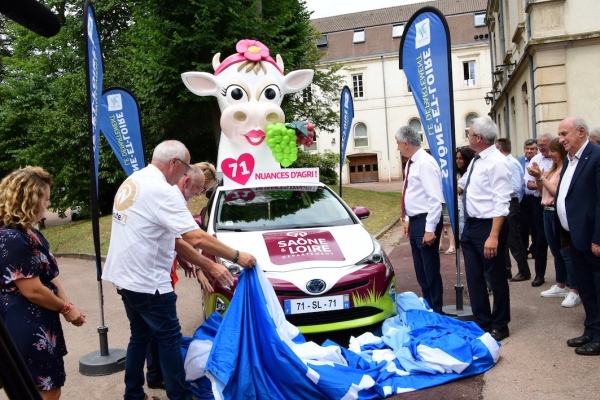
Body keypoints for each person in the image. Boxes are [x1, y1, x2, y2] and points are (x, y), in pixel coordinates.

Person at [102, 140, 257, 400]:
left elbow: (173, 240)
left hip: (125, 277)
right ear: (174, 163)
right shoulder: (162, 190)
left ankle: (133, 394)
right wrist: (236, 257)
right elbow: (194, 237)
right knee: (170, 339)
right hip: (148, 281)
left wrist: (197, 263)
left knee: (139, 336)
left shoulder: (135, 180)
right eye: (185, 167)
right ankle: (180, 396)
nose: (185, 173)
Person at [0, 166, 86, 400]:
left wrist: (69, 306)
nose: (47, 205)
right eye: (45, 199)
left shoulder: (29, 232)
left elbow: (49, 277)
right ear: (28, 199)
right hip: (25, 322)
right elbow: (33, 290)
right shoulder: (11, 237)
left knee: (46, 386)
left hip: (40, 318)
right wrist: (66, 309)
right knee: (44, 389)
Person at [145, 164, 213, 391]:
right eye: (200, 189)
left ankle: (152, 377)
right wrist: (214, 264)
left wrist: (185, 260)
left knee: (146, 332)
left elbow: (176, 239)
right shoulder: (171, 198)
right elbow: (190, 238)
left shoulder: (169, 195)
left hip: (155, 273)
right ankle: (173, 386)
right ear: (187, 182)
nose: (199, 195)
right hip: (156, 275)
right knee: (167, 332)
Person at [458, 118, 512, 341]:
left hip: (489, 226)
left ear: (478, 138)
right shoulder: (477, 160)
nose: (468, 137)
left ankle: (500, 324)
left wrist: (494, 235)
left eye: (469, 134)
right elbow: (465, 187)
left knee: (495, 276)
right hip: (471, 225)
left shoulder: (497, 162)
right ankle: (482, 320)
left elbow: (502, 202)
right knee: (474, 277)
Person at [556, 117, 600, 356]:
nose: (561, 139)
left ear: (581, 131)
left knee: (597, 287)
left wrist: (598, 238)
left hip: (592, 239)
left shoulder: (596, 156)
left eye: (564, 134)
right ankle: (591, 330)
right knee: (586, 287)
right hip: (574, 237)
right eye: (560, 135)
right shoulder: (569, 159)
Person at [396, 126, 445, 313]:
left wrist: (430, 229)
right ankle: (429, 305)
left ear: (406, 143)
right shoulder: (411, 162)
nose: (398, 148)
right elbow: (410, 192)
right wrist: (407, 217)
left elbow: (435, 198)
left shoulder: (425, 163)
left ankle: (436, 310)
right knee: (421, 270)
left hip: (426, 221)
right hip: (416, 220)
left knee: (430, 269)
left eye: (398, 144)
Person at [527, 139, 580, 307]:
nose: (549, 154)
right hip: (546, 211)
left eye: (553, 151)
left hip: (556, 212)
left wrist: (541, 177)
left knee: (565, 252)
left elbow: (557, 192)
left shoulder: (565, 168)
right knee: (556, 251)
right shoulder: (554, 168)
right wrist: (538, 177)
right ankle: (561, 284)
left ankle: (574, 290)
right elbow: (542, 190)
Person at [496, 138, 530, 282]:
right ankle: (506, 270)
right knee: (502, 238)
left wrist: (498, 190)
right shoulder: (503, 163)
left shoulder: (512, 164)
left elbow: (516, 187)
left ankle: (524, 271)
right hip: (503, 203)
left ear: (500, 149)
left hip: (511, 203)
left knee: (513, 239)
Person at [524, 133, 554, 287]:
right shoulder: (535, 160)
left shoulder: (558, 158)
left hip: (556, 203)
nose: (541, 148)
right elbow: (529, 185)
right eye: (539, 145)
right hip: (539, 202)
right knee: (540, 240)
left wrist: (543, 180)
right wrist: (545, 182)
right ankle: (539, 275)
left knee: (559, 242)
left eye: (544, 145)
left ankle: (565, 278)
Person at [517, 138, 538, 261]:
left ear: (536, 150)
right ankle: (523, 250)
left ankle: (535, 250)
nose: (529, 151)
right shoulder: (518, 161)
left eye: (532, 149)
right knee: (522, 227)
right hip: (523, 198)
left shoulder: (539, 161)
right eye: (527, 148)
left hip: (535, 198)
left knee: (535, 226)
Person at [456, 146, 476, 235]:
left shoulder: (469, 172)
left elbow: (458, 189)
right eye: (457, 158)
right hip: (460, 208)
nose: (458, 161)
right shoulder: (457, 172)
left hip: (467, 210)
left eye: (461, 158)